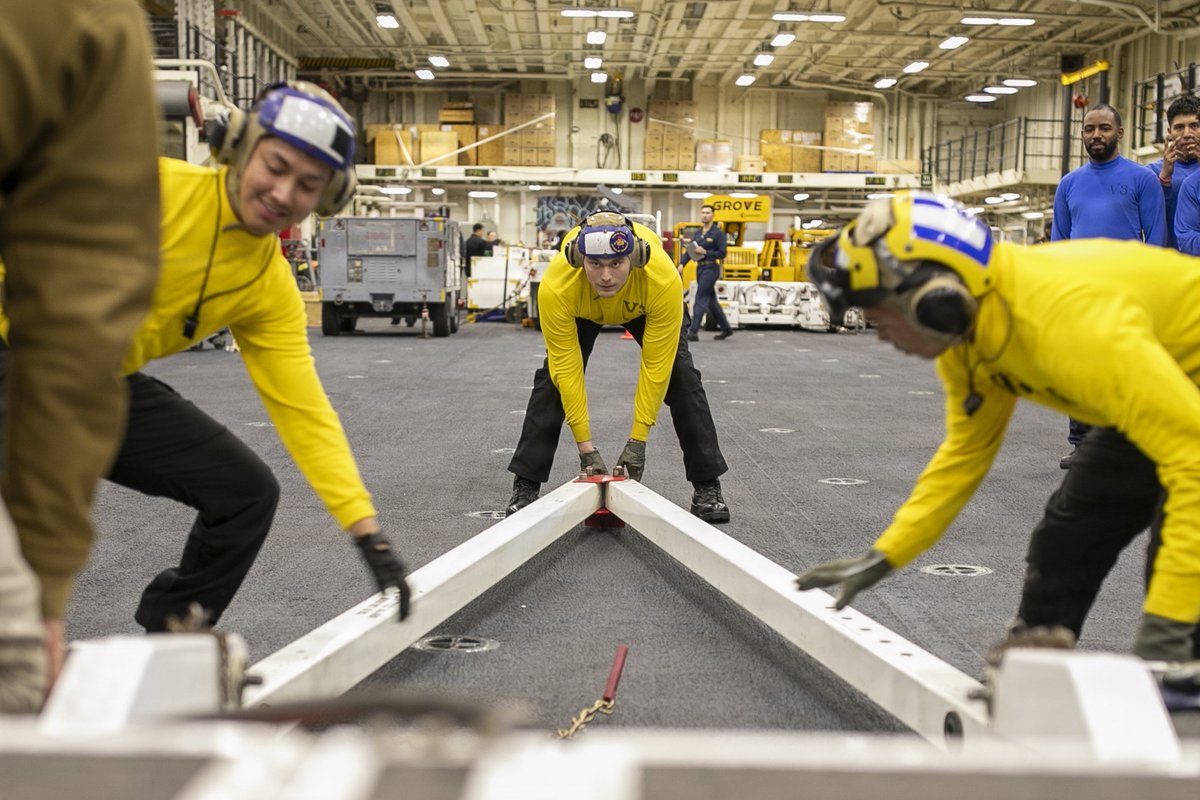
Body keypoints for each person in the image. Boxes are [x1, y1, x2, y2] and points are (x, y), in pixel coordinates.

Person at [2, 82, 412, 634]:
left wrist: (366, 530)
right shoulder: (147, 187)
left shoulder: (267, 287)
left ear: (326, 200)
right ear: (238, 148)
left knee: (245, 494)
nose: (283, 192)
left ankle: (171, 637)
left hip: (96, 382)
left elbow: (305, 411)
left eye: (308, 185)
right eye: (276, 165)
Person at [796, 190, 1200, 663]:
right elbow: (964, 454)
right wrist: (889, 552)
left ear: (933, 298)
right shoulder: (968, 337)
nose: (876, 330)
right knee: (1072, 525)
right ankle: (1037, 657)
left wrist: (1167, 633)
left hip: (1170, 388)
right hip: (1167, 382)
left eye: (876, 312)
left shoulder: (1069, 322)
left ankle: (1182, 667)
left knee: (1179, 533)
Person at [0, 0, 161, 709]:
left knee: (246, 490)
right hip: (53, 353)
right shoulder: (89, 22)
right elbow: (77, 305)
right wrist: (42, 583)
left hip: (102, 366)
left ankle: (169, 633)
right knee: (19, 680)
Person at [505, 211, 731, 523]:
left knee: (681, 376)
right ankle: (526, 486)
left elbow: (655, 369)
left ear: (634, 258)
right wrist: (586, 448)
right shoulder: (557, 285)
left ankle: (707, 487)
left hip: (643, 303)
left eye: (616, 263)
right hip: (582, 306)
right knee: (552, 382)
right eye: (595, 264)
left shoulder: (662, 279)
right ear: (579, 260)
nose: (606, 276)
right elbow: (567, 372)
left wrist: (638, 441)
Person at [1051, 103, 1166, 469]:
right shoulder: (1069, 183)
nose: (1095, 135)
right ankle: (1082, 443)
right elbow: (1060, 242)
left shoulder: (1141, 179)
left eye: (1103, 128)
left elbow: (1157, 238)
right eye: (1089, 129)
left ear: (1119, 133)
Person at [1148, 94, 1200, 250]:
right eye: (1179, 127)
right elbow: (1150, 219)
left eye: (1194, 126)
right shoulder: (1151, 173)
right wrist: (1164, 178)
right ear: (1169, 132)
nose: (1187, 134)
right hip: (1169, 264)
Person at [680, 204, 734, 342]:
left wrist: (706, 252)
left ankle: (693, 331)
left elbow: (722, 253)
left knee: (700, 298)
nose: (705, 215)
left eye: (708, 213)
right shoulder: (698, 233)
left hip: (711, 268)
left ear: (713, 215)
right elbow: (691, 250)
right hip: (700, 268)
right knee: (711, 301)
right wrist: (681, 264)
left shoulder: (718, 233)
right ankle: (726, 329)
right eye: (703, 212)